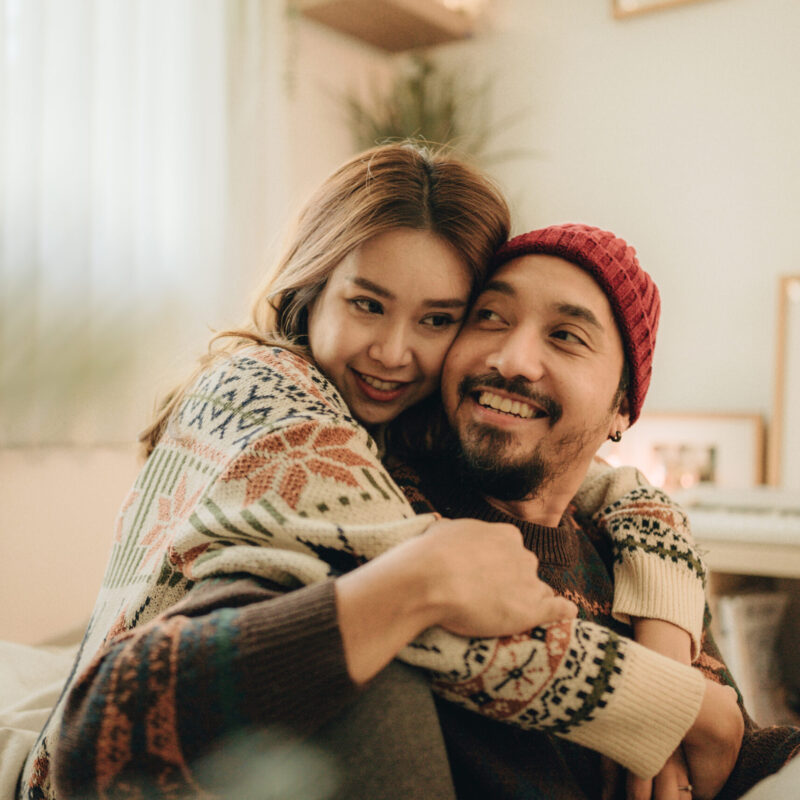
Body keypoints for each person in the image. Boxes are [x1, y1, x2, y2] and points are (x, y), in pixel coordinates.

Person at [19, 146, 712, 799]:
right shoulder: (270, 396)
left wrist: (653, 535)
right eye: (367, 304)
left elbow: (600, 481)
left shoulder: (404, 429)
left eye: (438, 319)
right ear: (312, 288)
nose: (393, 351)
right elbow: (425, 600)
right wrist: (677, 705)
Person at [390, 223, 800, 799]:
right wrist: (679, 704)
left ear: (622, 408)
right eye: (490, 317)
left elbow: (736, 755)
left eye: (565, 336)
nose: (513, 360)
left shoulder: (642, 564)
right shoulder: (390, 510)